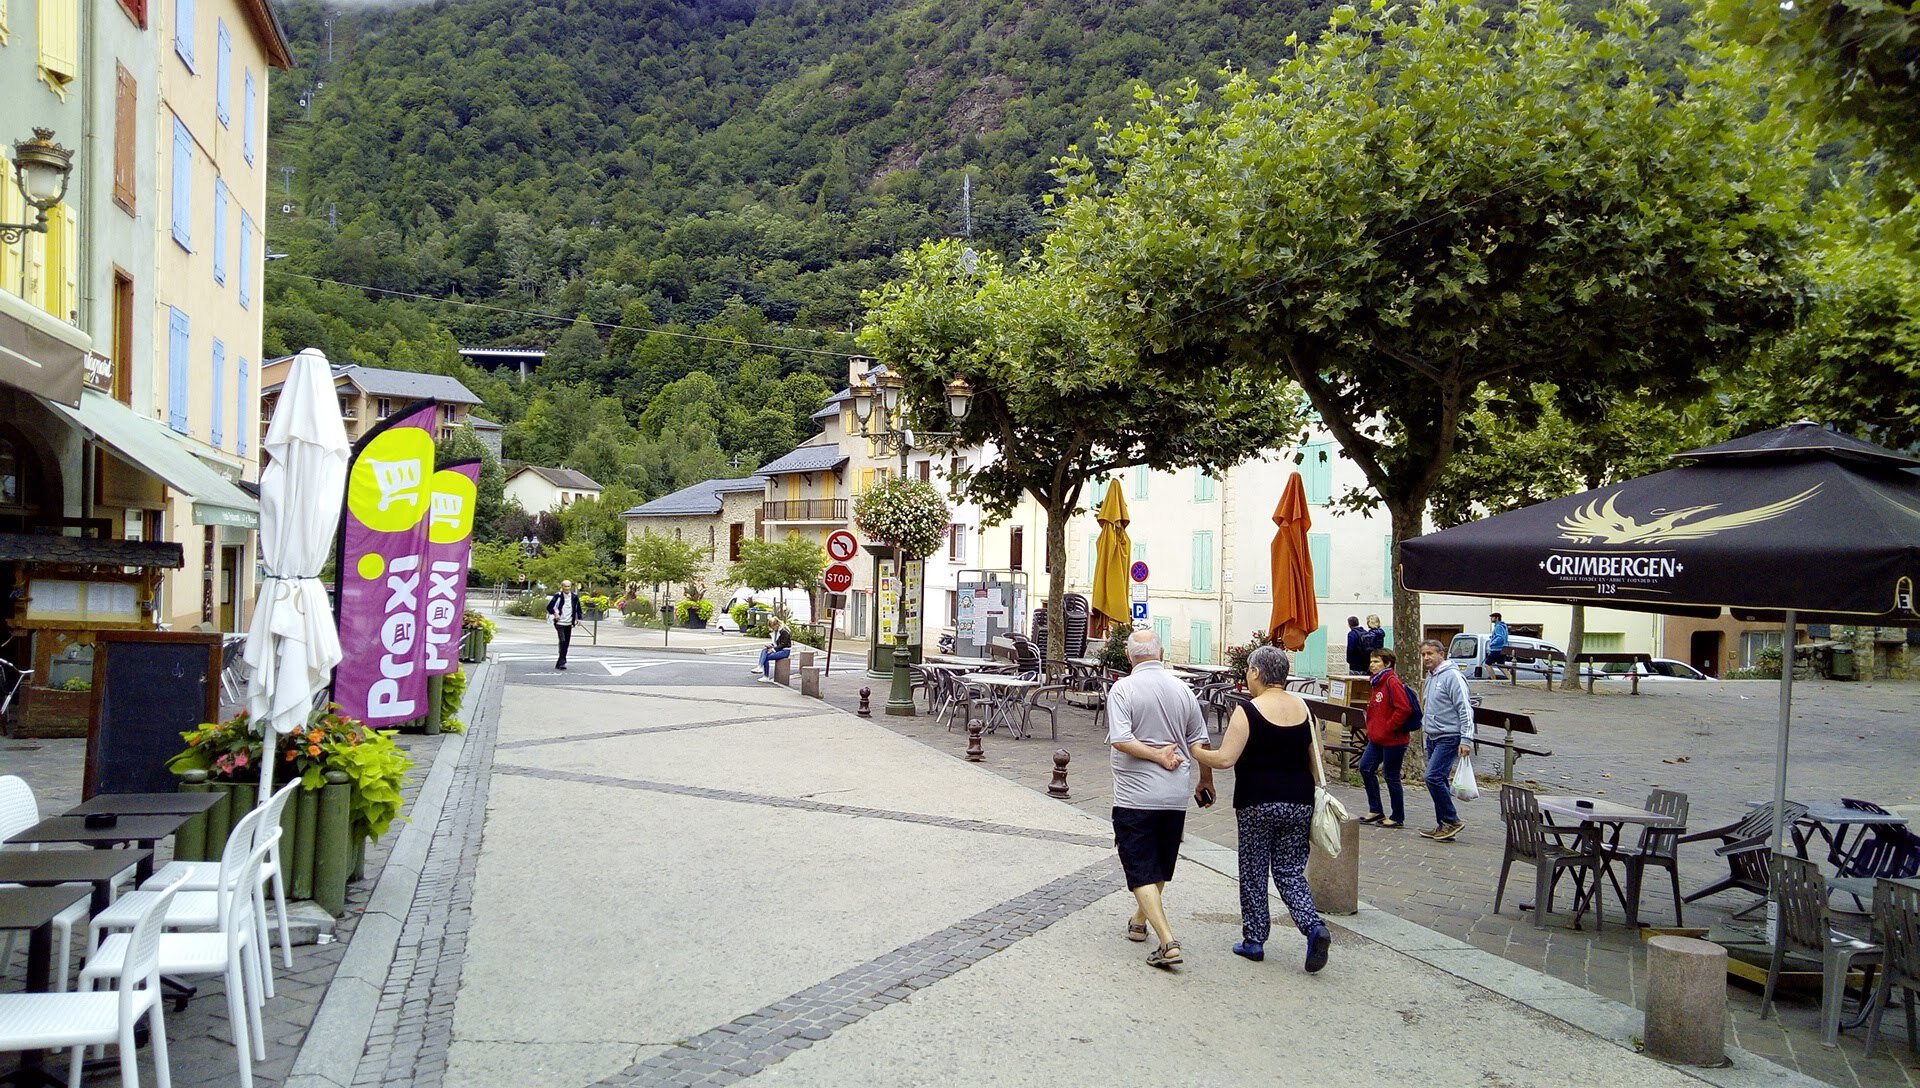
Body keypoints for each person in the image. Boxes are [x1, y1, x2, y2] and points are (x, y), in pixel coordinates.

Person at [1192, 645, 1331, 972]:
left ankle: (1254, 941)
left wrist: (1196, 751)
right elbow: (1318, 759)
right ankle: (1313, 927)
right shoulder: (1304, 709)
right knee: (1289, 871)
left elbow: (1225, 759)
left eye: (1248, 671)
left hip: (1257, 802)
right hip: (1298, 801)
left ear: (1256, 673)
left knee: (1254, 870)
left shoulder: (1249, 711)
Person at [1106, 629, 1214, 969]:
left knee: (1139, 868)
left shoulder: (1122, 689)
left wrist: (1156, 756)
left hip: (1134, 795)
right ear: (1162, 652)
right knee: (1161, 862)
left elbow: (1121, 740)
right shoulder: (1183, 689)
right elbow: (1200, 741)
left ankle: (1167, 941)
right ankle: (1140, 920)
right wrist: (1205, 780)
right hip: (1174, 794)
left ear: (1129, 656)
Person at [1418, 638, 1475, 841]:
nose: (1426, 658)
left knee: (1432, 777)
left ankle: (1452, 820)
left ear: (1442, 654)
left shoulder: (1452, 676)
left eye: (1430, 654)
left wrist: (1466, 739)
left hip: (1449, 736)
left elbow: (1465, 708)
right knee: (1438, 778)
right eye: (1423, 654)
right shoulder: (1431, 677)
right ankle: (1443, 824)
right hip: (1433, 735)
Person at [1357, 648, 1413, 828]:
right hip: (1377, 738)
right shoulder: (1377, 682)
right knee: (1365, 768)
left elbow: (1403, 709)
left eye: (1376, 662)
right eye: (1371, 661)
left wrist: (1388, 727)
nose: (1372, 665)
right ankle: (1375, 809)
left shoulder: (1391, 682)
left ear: (1387, 664)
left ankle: (1397, 816)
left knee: (1391, 776)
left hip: (1393, 739)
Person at [547, 579, 583, 670]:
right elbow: (549, 607)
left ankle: (560, 662)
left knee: (566, 643)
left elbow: (578, 608)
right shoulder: (558, 596)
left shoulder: (574, 597)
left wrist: (579, 618)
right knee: (562, 641)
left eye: (568, 586)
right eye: (565, 586)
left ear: (571, 587)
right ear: (562, 587)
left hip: (569, 623)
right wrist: (555, 614)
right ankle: (562, 662)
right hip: (559, 622)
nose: (567, 588)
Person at [753, 616, 793, 683]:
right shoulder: (777, 631)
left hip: (785, 651)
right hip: (779, 649)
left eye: (772, 626)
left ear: (776, 624)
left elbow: (784, 644)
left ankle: (765, 674)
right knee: (764, 650)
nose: (772, 628)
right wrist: (771, 646)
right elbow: (776, 643)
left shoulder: (784, 631)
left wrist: (773, 649)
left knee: (766, 657)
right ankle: (760, 667)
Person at [1486, 612, 1511, 680]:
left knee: (1487, 664)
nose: (1491, 618)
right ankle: (1511, 679)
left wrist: (1493, 642)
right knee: (1501, 665)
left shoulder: (1498, 626)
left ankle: (1494, 680)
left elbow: (1500, 637)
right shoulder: (1503, 626)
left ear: (1497, 618)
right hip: (1502, 649)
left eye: (1492, 617)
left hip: (1496, 649)